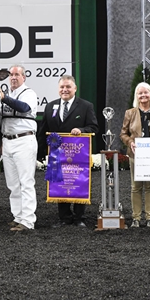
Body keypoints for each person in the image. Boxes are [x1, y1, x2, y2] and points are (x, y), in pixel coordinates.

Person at [37, 75, 99, 228]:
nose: (65, 90)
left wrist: (82, 130)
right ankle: (64, 217)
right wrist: (40, 152)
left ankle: (79, 218)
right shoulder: (50, 106)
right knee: (60, 183)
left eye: (68, 87)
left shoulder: (86, 106)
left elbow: (94, 127)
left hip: (78, 155)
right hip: (57, 156)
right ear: (58, 89)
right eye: (62, 87)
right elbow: (43, 130)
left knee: (78, 181)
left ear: (75, 89)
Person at [0, 65, 38, 231]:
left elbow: (23, 108)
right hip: (7, 140)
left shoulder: (29, 93)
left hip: (24, 139)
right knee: (13, 184)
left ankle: (28, 220)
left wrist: (3, 97)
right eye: (11, 75)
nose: (13, 78)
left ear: (24, 77)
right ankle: (18, 216)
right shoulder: (10, 94)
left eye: (16, 75)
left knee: (26, 182)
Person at [120, 82, 150, 228]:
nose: (143, 95)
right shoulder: (130, 113)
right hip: (135, 154)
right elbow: (123, 134)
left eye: (146, 92)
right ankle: (136, 218)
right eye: (140, 93)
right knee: (136, 186)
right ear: (136, 96)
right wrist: (130, 141)